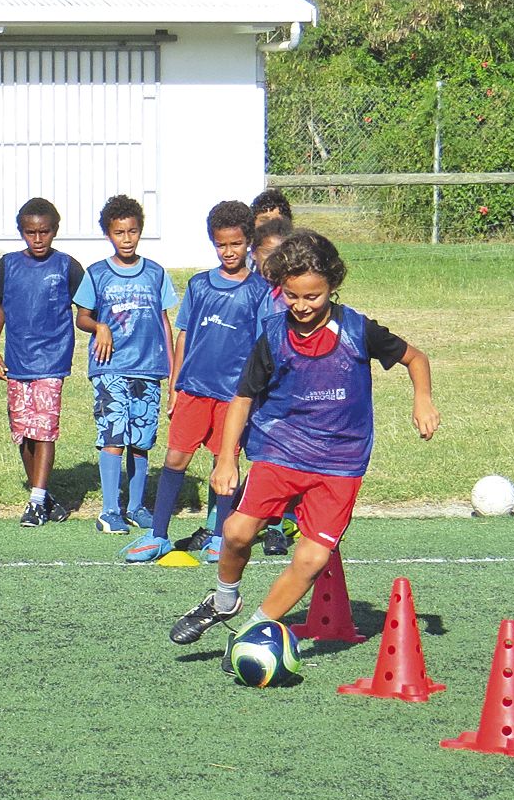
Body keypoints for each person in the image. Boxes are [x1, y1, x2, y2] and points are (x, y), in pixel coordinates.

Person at [167, 229, 439, 658]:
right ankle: (223, 600)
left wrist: (422, 399)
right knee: (236, 532)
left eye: (312, 296)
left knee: (312, 560)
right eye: (292, 296)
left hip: (340, 463)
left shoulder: (358, 329)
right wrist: (226, 459)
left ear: (332, 286)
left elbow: (416, 358)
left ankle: (252, 632)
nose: (302, 306)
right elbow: (241, 399)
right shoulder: (274, 335)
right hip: (283, 451)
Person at [124, 201, 272, 564]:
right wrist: (176, 382)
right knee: (176, 458)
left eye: (235, 244)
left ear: (248, 243)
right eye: (221, 244)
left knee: (225, 462)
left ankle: (220, 536)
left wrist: (256, 393)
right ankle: (158, 534)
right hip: (193, 390)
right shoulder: (199, 285)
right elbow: (184, 334)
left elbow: (264, 345)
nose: (229, 251)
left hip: (233, 395)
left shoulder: (259, 291)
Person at [74, 194, 179, 534]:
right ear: (108, 234)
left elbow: (164, 321)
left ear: (140, 232)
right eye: (119, 233)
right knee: (113, 436)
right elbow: (83, 318)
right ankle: (109, 510)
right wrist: (100, 327)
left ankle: (135, 506)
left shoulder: (155, 274)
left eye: (132, 232)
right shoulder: (97, 274)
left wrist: (173, 367)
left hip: (148, 368)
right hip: (111, 368)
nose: (127, 239)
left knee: (141, 440)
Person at [0, 198, 83, 527]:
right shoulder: (7, 265)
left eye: (44, 232)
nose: (38, 239)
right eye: (31, 233)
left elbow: (85, 308)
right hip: (17, 360)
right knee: (23, 433)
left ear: (55, 230)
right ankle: (44, 496)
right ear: (21, 232)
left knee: (44, 431)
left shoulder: (67, 266)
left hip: (52, 360)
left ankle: (36, 500)